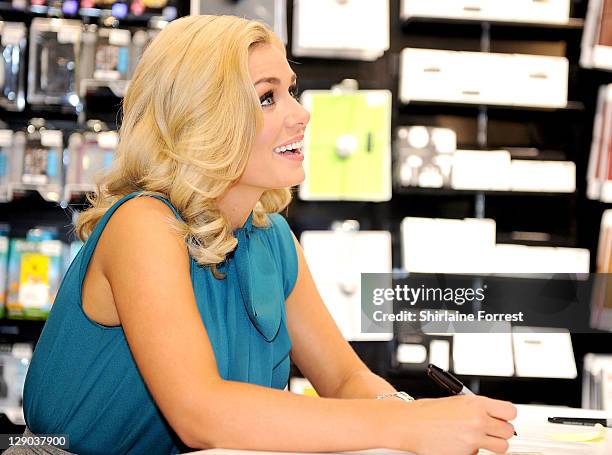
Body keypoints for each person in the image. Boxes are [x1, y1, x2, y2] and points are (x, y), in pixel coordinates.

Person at [20, 15, 516, 455]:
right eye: (266, 97)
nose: (301, 114)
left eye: (290, 91)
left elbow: (344, 378)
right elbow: (202, 413)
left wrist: (410, 414)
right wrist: (406, 425)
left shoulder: (271, 236)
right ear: (203, 117)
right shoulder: (143, 225)